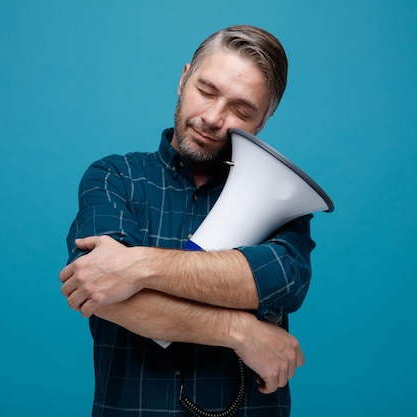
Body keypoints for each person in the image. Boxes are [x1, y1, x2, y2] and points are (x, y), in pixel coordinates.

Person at [59, 24, 316, 417]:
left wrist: (135, 267)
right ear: (183, 79)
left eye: (241, 110)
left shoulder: (285, 200)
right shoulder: (115, 177)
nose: (213, 117)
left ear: (263, 120)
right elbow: (95, 287)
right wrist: (240, 331)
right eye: (206, 91)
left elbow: (282, 282)